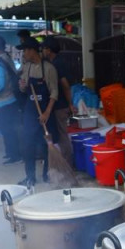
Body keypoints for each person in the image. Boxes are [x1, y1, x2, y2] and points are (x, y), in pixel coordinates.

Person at [17, 37, 59, 185]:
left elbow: (54, 92)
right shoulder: (26, 67)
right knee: (27, 143)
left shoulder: (48, 68)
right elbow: (23, 88)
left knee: (46, 144)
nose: (24, 54)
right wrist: (22, 86)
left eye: (25, 51)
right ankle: (30, 176)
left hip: (45, 110)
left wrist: (47, 113)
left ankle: (47, 174)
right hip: (30, 110)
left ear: (32, 50)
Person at [0, 35, 22, 167]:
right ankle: (11, 153)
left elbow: (0, 84)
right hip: (10, 100)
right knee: (10, 130)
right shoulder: (7, 58)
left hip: (3, 102)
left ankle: (14, 155)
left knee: (7, 131)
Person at [40, 36, 74, 165]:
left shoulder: (57, 64)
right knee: (59, 134)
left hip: (60, 105)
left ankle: (68, 163)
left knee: (62, 135)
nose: (42, 51)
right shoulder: (52, 63)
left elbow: (65, 85)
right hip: (57, 105)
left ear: (49, 50)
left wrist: (70, 104)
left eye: (44, 48)